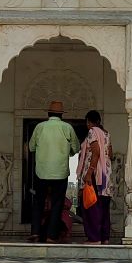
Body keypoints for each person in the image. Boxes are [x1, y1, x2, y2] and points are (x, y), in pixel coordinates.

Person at [28, 100, 79, 243]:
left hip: (42, 172)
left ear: (48, 113)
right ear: (61, 115)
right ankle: (51, 235)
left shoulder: (40, 127)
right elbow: (76, 148)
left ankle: (36, 232)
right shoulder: (67, 128)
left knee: (38, 202)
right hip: (60, 172)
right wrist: (67, 152)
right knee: (57, 204)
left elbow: (31, 147)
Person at [77, 109, 113, 244]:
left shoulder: (92, 132)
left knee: (91, 205)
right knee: (103, 205)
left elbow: (96, 152)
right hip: (105, 175)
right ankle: (104, 238)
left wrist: (89, 172)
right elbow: (110, 153)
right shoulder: (106, 134)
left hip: (94, 174)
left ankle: (94, 238)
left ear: (89, 122)